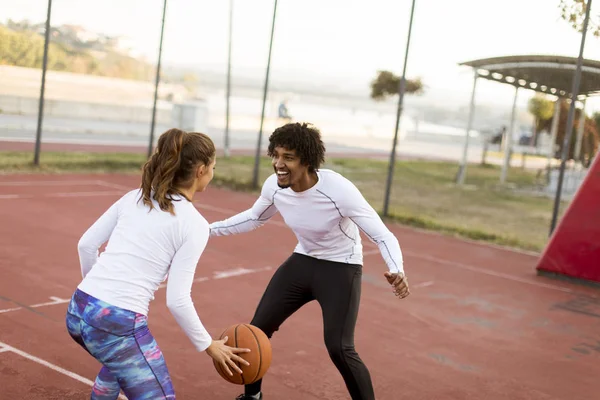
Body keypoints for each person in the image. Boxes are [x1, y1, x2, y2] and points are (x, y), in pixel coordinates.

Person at [208, 122, 410, 400]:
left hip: (341, 268)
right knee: (255, 331)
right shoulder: (275, 187)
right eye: (275, 155)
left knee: (340, 347)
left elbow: (383, 236)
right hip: (303, 262)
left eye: (288, 157)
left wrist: (396, 268)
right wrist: (206, 230)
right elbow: (254, 218)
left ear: (307, 161)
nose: (278, 164)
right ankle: (252, 397)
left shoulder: (338, 190)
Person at [65, 128, 251, 400]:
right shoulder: (194, 224)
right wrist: (209, 345)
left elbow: (86, 245)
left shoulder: (134, 197)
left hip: (77, 311)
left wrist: (96, 298)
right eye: (213, 167)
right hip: (117, 324)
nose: (213, 173)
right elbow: (177, 300)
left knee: (117, 362)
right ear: (200, 170)